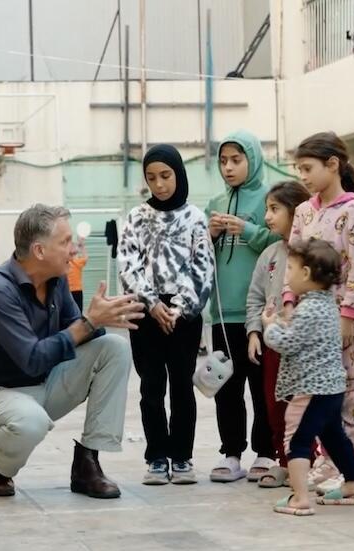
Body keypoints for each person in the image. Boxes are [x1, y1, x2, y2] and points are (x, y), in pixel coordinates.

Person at [0, 204, 144, 498]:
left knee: (114, 348)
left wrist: (100, 319)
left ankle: (87, 463)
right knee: (29, 421)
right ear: (39, 251)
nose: (73, 249)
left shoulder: (56, 282)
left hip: (43, 385)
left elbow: (77, 332)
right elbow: (32, 359)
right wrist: (88, 323)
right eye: (65, 242)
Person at [119, 144, 215, 485]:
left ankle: (182, 457)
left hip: (183, 317)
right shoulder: (136, 217)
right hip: (145, 315)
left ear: (178, 175)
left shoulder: (195, 218)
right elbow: (128, 264)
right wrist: (151, 303)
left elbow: (202, 268)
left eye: (165, 176)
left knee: (181, 387)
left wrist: (178, 309)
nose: (159, 184)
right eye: (151, 177)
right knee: (151, 387)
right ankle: (157, 457)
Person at [287, 132, 354, 493]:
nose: (303, 176)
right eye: (299, 169)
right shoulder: (304, 212)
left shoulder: (353, 211)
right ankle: (325, 457)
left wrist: (349, 316)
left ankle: (352, 463)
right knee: (315, 392)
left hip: (340, 321)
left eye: (308, 168)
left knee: (348, 388)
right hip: (309, 321)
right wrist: (289, 302)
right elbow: (293, 260)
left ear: (333, 165)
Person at [263, 239, 354, 516]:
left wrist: (270, 328)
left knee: (296, 440)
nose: (288, 277)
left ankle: (299, 497)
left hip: (310, 389)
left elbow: (288, 342)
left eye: (291, 270)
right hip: (331, 388)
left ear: (307, 274)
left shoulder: (308, 309)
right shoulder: (326, 305)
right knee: (334, 435)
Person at [205, 131, 279, 483]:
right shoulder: (216, 201)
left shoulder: (269, 197)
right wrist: (211, 234)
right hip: (222, 312)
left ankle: (265, 451)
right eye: (223, 161)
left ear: (253, 159)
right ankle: (231, 453)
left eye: (236, 160)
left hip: (260, 312)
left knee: (262, 386)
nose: (229, 167)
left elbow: (282, 239)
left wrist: (247, 229)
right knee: (227, 388)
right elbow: (200, 254)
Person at [245, 181, 311, 488]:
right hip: (273, 346)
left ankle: (309, 462)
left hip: (305, 348)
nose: (268, 217)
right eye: (266, 210)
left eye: (274, 209)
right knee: (275, 406)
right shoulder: (269, 255)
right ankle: (283, 463)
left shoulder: (313, 251)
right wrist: (254, 332)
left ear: (296, 211)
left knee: (307, 406)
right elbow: (255, 297)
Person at [68, 237, 88, 312]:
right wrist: (81, 246)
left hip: (76, 290)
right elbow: (85, 257)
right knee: (75, 311)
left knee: (77, 311)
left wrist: (81, 246)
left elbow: (85, 258)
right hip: (70, 290)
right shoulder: (72, 262)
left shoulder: (76, 262)